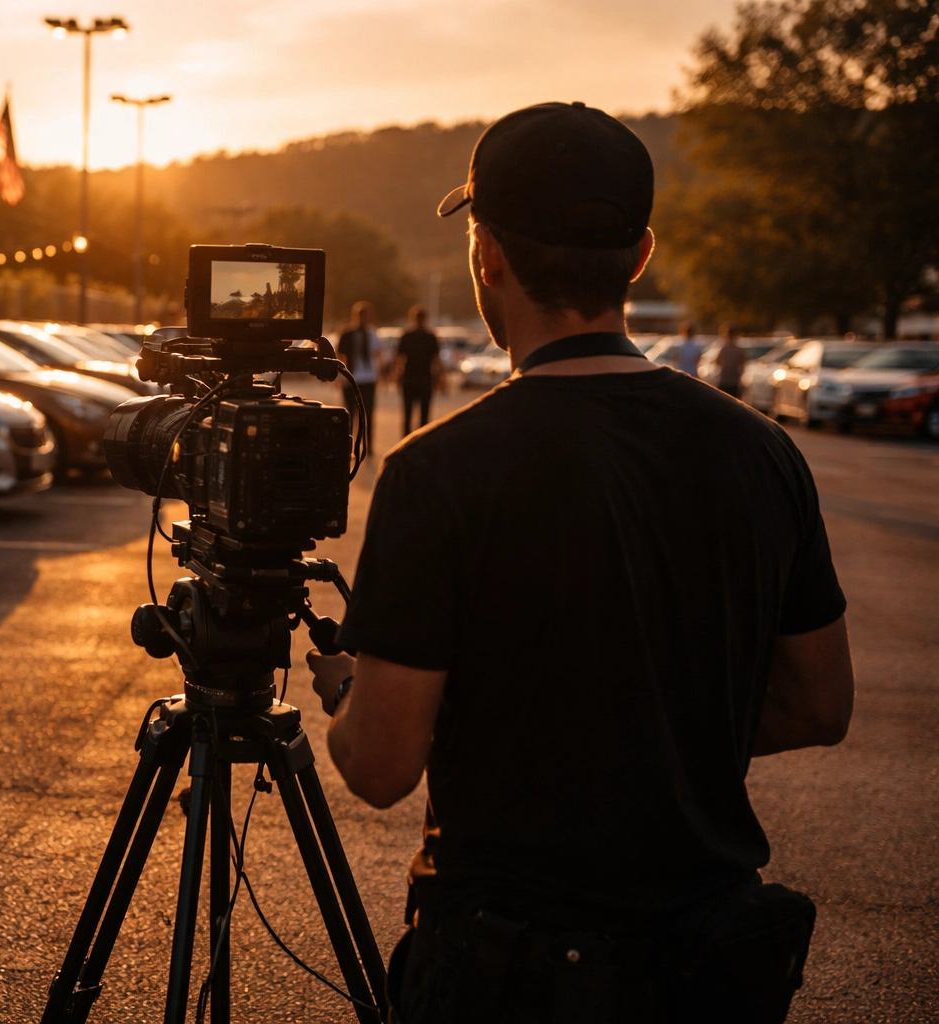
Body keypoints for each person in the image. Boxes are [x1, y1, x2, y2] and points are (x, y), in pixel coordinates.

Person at [306, 102, 854, 1023]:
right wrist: (653, 729)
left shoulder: (439, 471)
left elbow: (381, 765)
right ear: (638, 256)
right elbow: (817, 705)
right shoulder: (764, 452)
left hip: (501, 969)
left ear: (486, 257)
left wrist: (350, 698)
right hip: (712, 965)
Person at [337, 301, 382, 451]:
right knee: (350, 413)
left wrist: (380, 376)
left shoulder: (372, 334)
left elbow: (378, 356)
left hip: (369, 378)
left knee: (368, 413)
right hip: (352, 378)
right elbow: (339, 355)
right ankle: (348, 445)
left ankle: (368, 446)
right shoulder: (347, 333)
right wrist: (340, 376)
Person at [395, 305, 441, 434]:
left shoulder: (408, 335)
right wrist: (439, 377)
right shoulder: (429, 336)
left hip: (412, 378)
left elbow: (399, 359)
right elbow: (436, 360)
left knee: (409, 414)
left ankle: (406, 441)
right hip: (423, 378)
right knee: (422, 415)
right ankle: (420, 441)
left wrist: (397, 376)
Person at [716, 320, 747, 399]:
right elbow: (743, 362)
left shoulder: (724, 348)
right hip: (734, 379)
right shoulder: (738, 349)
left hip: (725, 378)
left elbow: (717, 361)